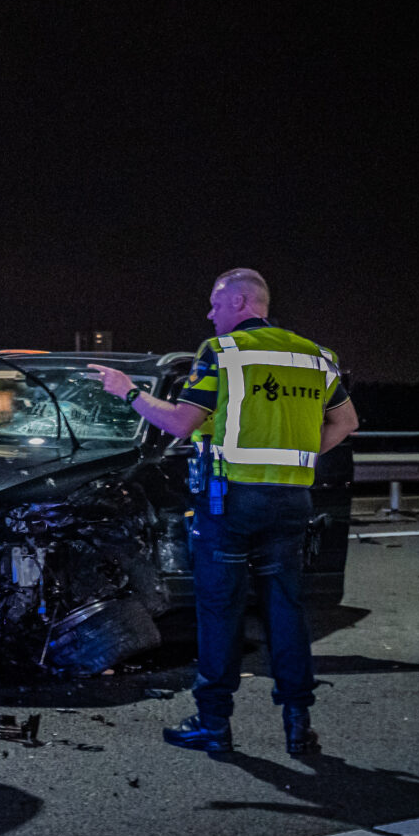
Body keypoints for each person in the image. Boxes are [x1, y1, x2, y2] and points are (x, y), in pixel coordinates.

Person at [87, 268, 358, 755]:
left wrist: (127, 391)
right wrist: (297, 454)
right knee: (286, 612)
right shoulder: (317, 356)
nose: (210, 314)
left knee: (220, 612)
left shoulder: (223, 353)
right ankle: (298, 724)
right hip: (291, 501)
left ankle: (214, 723)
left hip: (231, 501)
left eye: (215, 304)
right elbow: (346, 421)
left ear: (240, 303)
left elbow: (180, 421)